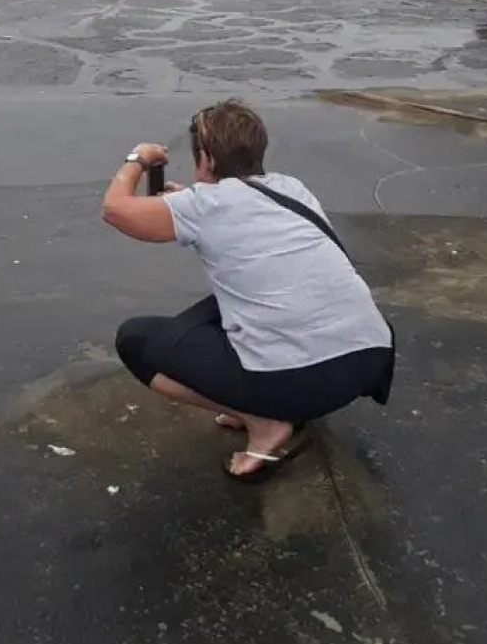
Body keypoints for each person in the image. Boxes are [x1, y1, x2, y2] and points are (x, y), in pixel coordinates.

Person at [101, 99, 394, 482]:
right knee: (229, 306)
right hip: (367, 358)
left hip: (307, 380)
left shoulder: (203, 206)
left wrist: (138, 158)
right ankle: (266, 403)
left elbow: (115, 209)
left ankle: (264, 422)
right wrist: (190, 199)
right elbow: (237, 212)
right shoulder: (292, 188)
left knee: (136, 341)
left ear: (207, 158)